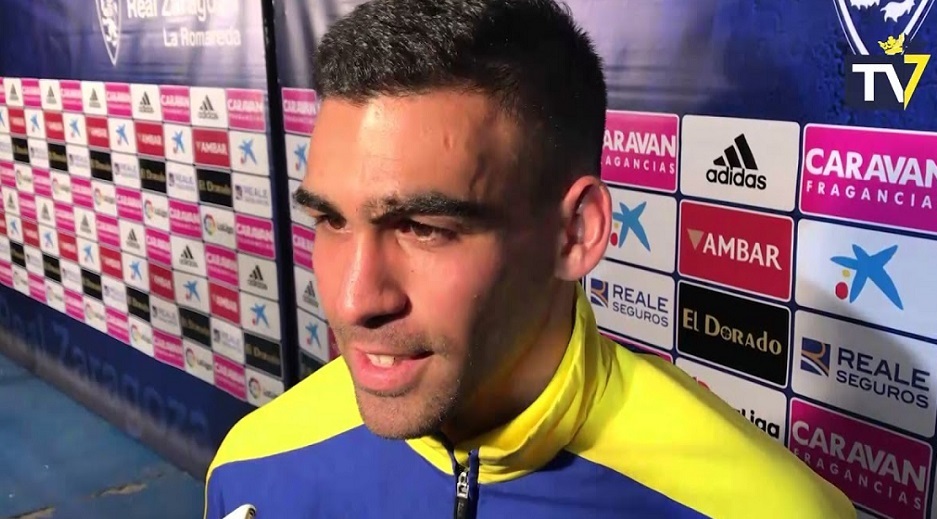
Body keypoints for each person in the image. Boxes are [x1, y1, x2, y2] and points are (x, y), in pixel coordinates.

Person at [204, 0, 857, 517]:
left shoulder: (765, 508)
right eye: (331, 220)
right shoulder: (254, 470)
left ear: (575, 233)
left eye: (423, 228)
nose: (352, 301)